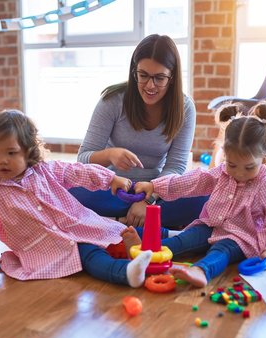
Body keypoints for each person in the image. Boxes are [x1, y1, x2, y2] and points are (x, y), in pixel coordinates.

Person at [122, 101, 266, 287]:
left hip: (240, 239)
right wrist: (155, 186)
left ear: (263, 159)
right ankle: (147, 253)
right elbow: (190, 182)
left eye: (249, 167)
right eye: (232, 165)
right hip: (211, 226)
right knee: (185, 239)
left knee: (220, 252)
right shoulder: (221, 173)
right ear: (225, 155)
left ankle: (200, 271)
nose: (239, 173)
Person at [0, 109, 153, 287]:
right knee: (92, 256)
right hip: (46, 248)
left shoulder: (45, 169)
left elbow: (77, 172)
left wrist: (110, 178)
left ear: (28, 151)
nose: (2, 160)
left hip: (78, 225)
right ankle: (126, 273)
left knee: (120, 231)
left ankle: (170, 237)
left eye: (11, 152)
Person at [71, 34, 207, 228]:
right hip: (112, 188)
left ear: (172, 77)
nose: (150, 86)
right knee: (71, 190)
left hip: (155, 189)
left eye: (159, 78)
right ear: (134, 71)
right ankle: (145, 225)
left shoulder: (185, 107)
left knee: (202, 199)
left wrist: (147, 200)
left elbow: (176, 167)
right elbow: (83, 159)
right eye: (143, 75)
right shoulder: (113, 100)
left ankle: (115, 223)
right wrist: (110, 155)